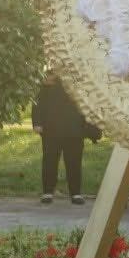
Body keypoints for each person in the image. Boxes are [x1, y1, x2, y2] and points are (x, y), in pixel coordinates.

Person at [33, 72, 91, 205]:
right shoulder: (48, 78)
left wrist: (87, 125)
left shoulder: (80, 77)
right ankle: (47, 192)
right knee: (49, 160)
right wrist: (37, 122)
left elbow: (87, 102)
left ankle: (76, 193)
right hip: (51, 127)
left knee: (74, 161)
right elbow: (37, 101)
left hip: (74, 128)